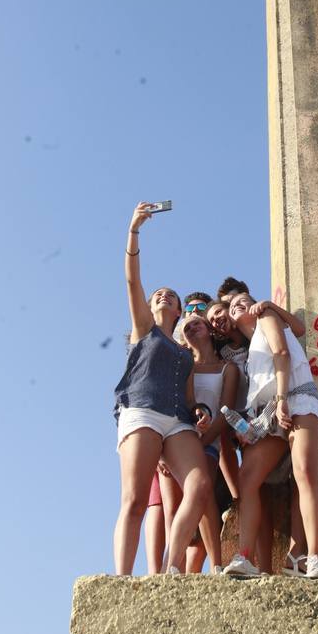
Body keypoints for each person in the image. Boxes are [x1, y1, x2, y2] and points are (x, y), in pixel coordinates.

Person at [113, 202, 211, 575]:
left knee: (199, 486)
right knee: (135, 500)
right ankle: (121, 577)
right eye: (159, 295)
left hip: (177, 419)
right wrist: (134, 231)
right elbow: (132, 281)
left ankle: (171, 567)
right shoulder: (144, 330)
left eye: (171, 295)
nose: (165, 296)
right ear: (151, 307)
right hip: (141, 410)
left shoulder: (184, 354)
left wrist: (199, 411)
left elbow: (188, 398)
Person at [222, 292, 318, 579]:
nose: (238, 305)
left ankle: (312, 557)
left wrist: (282, 398)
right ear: (230, 322)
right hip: (267, 413)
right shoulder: (247, 352)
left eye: (244, 299)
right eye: (232, 306)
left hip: (297, 398)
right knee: (248, 479)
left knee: (305, 472)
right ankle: (245, 557)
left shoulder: (265, 317)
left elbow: (282, 353)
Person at [178, 312, 239, 572]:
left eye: (197, 323)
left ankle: (215, 563)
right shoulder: (183, 367)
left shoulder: (229, 369)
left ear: (209, 329)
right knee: (184, 502)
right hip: (179, 439)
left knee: (204, 497)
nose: (192, 328)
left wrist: (204, 441)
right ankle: (175, 567)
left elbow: (226, 412)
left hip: (209, 440)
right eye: (186, 327)